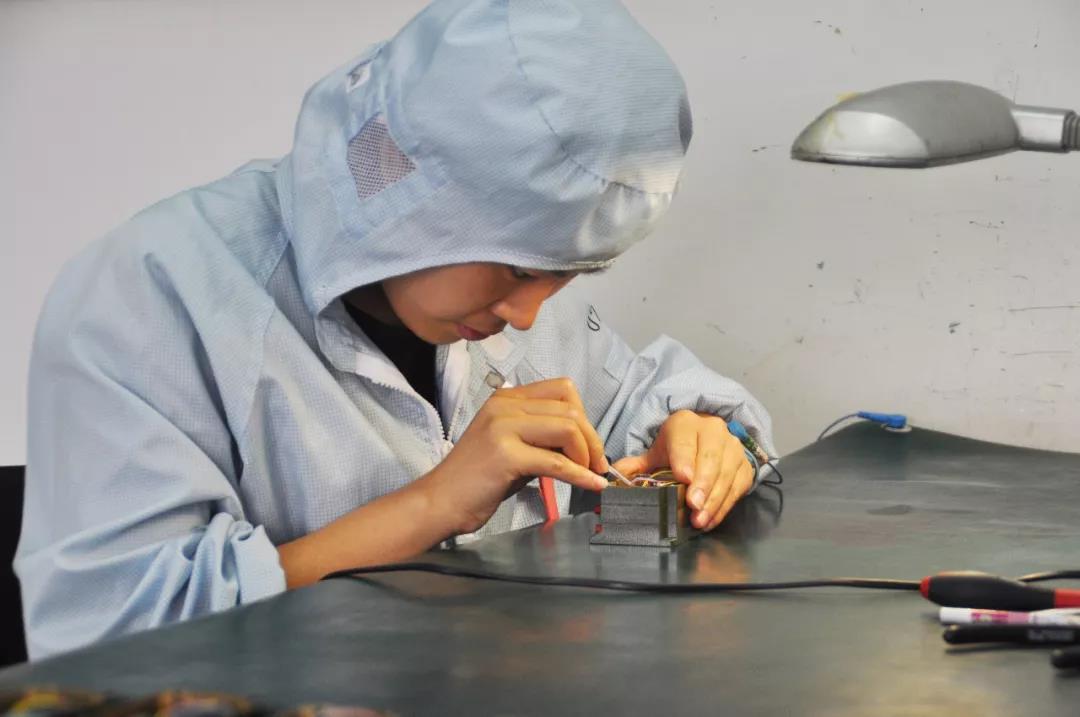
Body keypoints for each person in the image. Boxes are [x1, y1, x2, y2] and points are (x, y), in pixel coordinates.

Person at [16, 0, 776, 659]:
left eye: (567, 275)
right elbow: (117, 643)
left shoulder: (503, 295)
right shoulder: (151, 297)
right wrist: (434, 504)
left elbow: (643, 406)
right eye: (517, 269)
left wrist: (706, 440)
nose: (527, 314)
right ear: (418, 195)